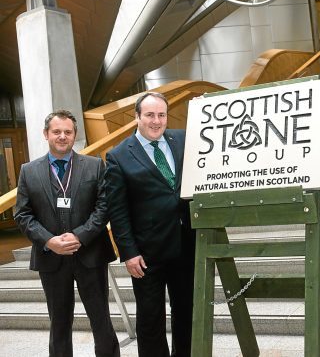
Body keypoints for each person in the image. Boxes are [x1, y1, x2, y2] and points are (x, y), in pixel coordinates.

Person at [14, 110, 119, 357]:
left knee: (101, 319)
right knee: (59, 323)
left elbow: (104, 207)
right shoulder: (29, 171)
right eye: (57, 132)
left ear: (75, 135)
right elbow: (23, 214)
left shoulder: (94, 166)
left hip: (90, 255)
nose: (62, 136)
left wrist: (80, 236)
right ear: (46, 134)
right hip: (51, 258)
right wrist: (49, 241)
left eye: (68, 132)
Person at [105, 92, 195, 357]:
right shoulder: (118, 156)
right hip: (147, 255)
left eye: (162, 115)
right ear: (137, 117)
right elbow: (118, 211)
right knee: (150, 318)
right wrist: (129, 252)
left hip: (185, 245)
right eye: (150, 115)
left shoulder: (182, 139)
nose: (156, 121)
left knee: (187, 311)